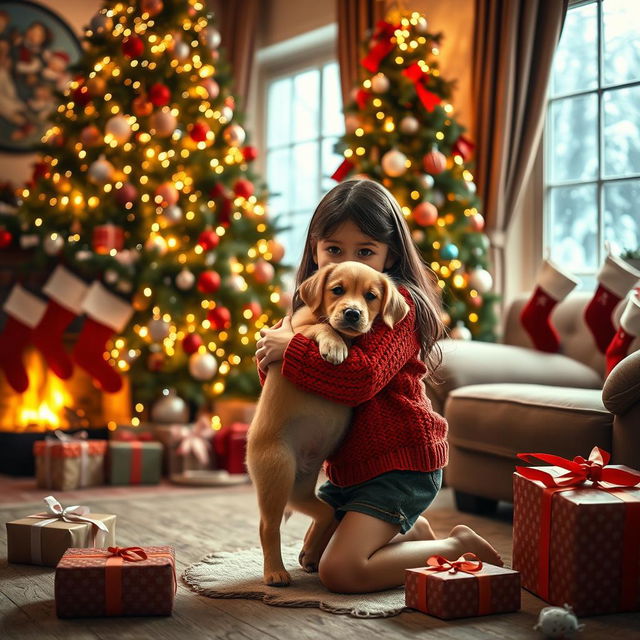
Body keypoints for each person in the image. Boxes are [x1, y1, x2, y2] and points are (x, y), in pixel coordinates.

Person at [255, 179, 502, 593]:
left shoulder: (394, 303)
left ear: (391, 253)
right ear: (315, 249)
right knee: (310, 560)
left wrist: (293, 348)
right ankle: (411, 531)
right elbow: (288, 387)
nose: (352, 263)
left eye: (366, 251)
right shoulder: (319, 301)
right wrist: (274, 356)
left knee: (342, 572)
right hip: (351, 469)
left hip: (401, 463)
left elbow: (360, 381)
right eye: (334, 249)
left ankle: (456, 545)